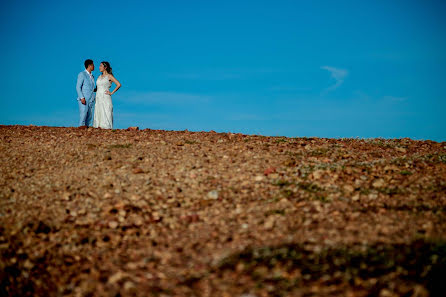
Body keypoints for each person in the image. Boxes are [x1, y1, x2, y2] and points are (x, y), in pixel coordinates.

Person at [93, 61, 121, 129]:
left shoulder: (109, 76)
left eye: (101, 66)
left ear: (105, 67)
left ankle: (106, 128)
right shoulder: (99, 77)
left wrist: (111, 93)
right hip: (98, 96)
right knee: (98, 111)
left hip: (105, 96)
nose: (99, 67)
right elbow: (97, 87)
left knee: (106, 111)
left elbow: (118, 84)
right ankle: (98, 126)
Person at [76, 59, 96, 128]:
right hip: (84, 99)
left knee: (89, 116)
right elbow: (78, 87)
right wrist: (81, 97)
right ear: (89, 65)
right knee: (83, 114)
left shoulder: (92, 76)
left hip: (91, 99)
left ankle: (87, 130)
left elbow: (91, 88)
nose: (94, 66)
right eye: (93, 65)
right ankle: (81, 128)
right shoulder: (82, 74)